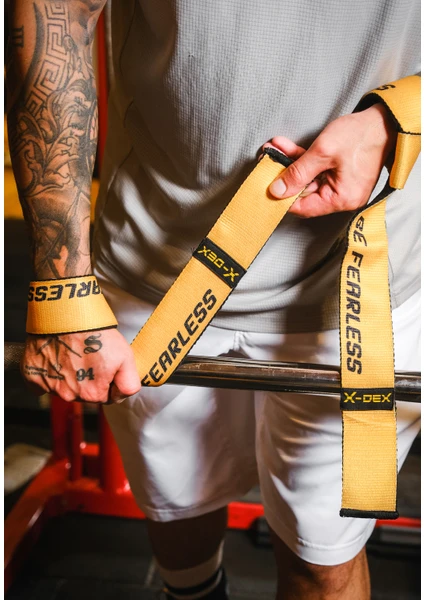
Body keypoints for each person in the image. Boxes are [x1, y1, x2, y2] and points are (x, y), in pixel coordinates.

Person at [6, 1, 420, 599]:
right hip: (154, 263)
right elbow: (55, 12)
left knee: (322, 559)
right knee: (177, 509)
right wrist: (60, 287)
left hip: (352, 281)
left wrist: (398, 115)